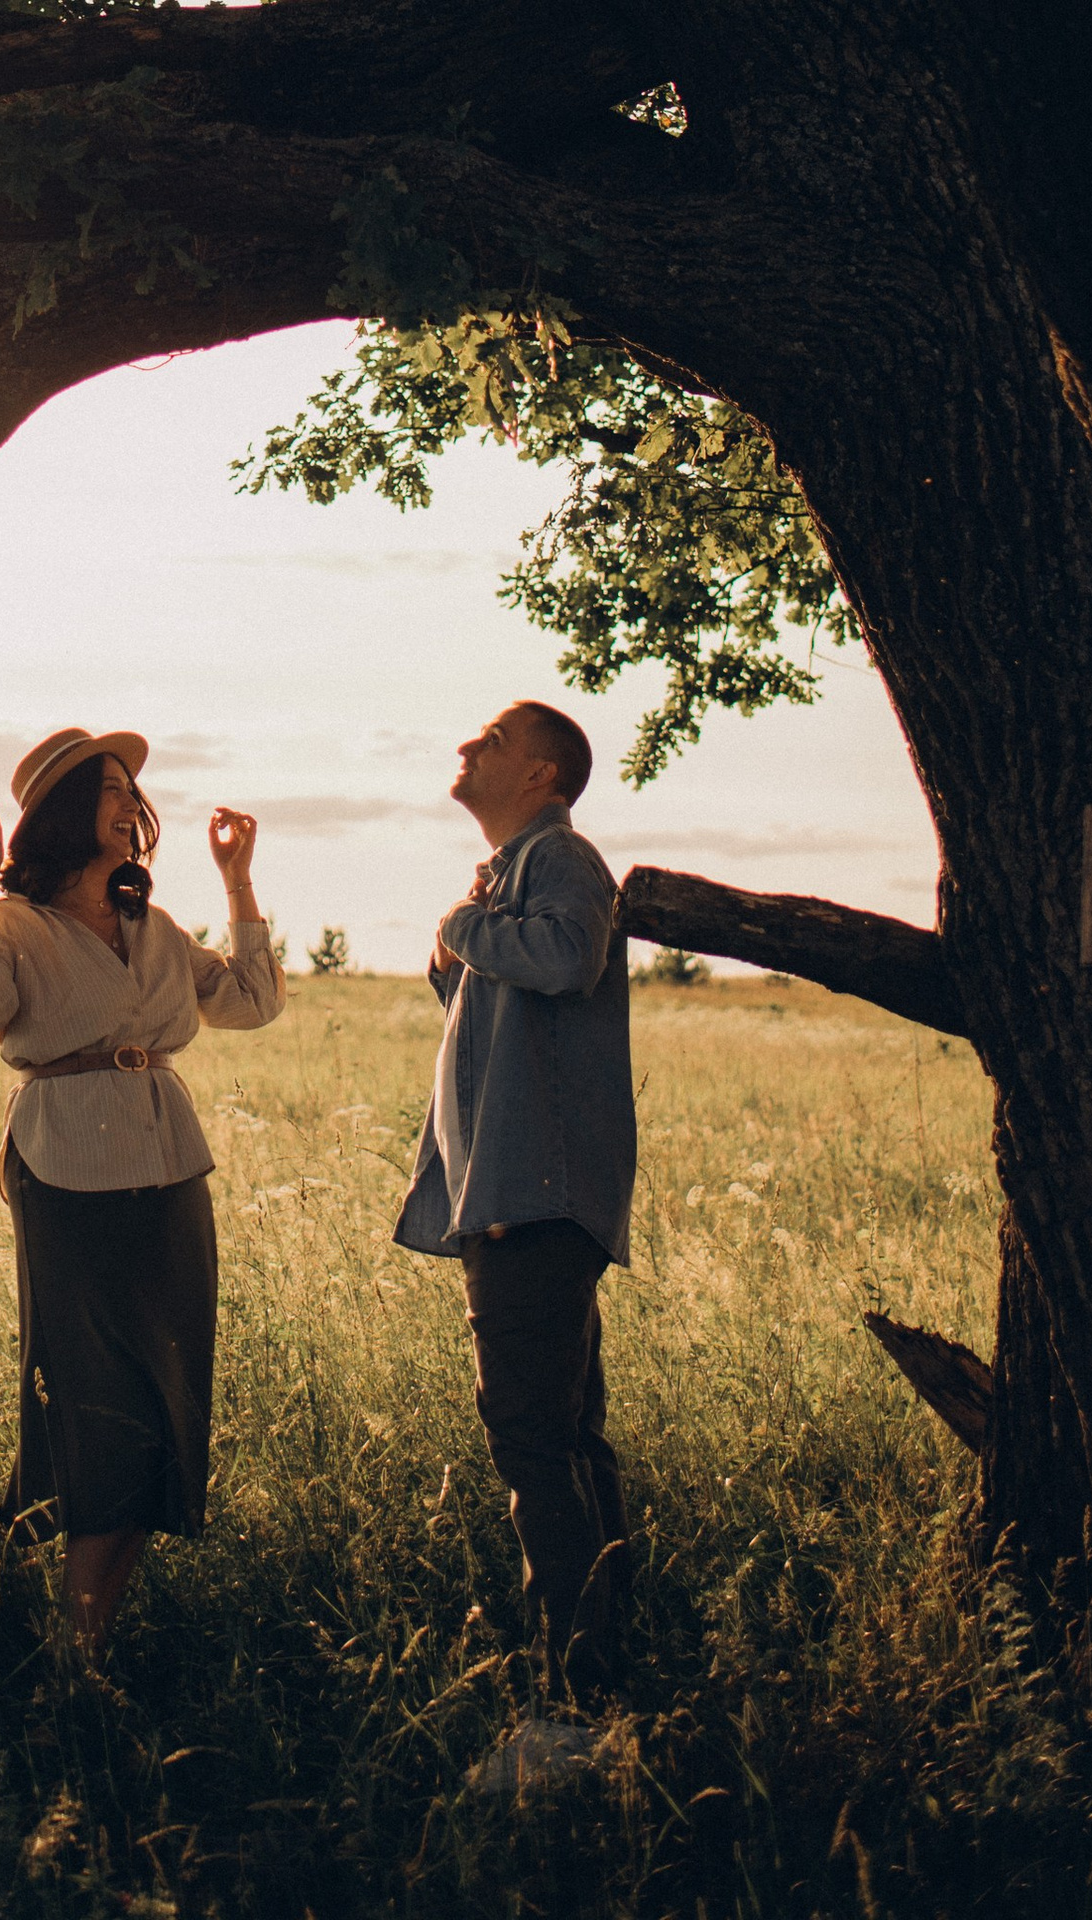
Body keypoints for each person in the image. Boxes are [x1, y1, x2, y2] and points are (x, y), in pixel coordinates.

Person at [0, 724, 284, 1656]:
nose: (133, 804)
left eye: (134, 790)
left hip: (169, 1171)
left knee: (164, 1401)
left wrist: (238, 882)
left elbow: (252, 1000)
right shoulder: (14, 926)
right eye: (113, 788)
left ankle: (80, 1646)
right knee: (93, 1402)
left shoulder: (155, 930)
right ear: (63, 813)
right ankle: (66, 1649)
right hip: (67, 1170)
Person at [394, 698, 634, 1706]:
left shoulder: (559, 858)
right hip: (516, 1191)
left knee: (531, 1439)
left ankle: (573, 1696)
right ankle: (609, 1668)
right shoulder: (513, 873)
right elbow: (504, 1004)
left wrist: (459, 926)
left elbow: (566, 959)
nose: (466, 744)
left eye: (491, 739)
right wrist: (461, 948)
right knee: (566, 1435)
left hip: (531, 1196)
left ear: (540, 774)